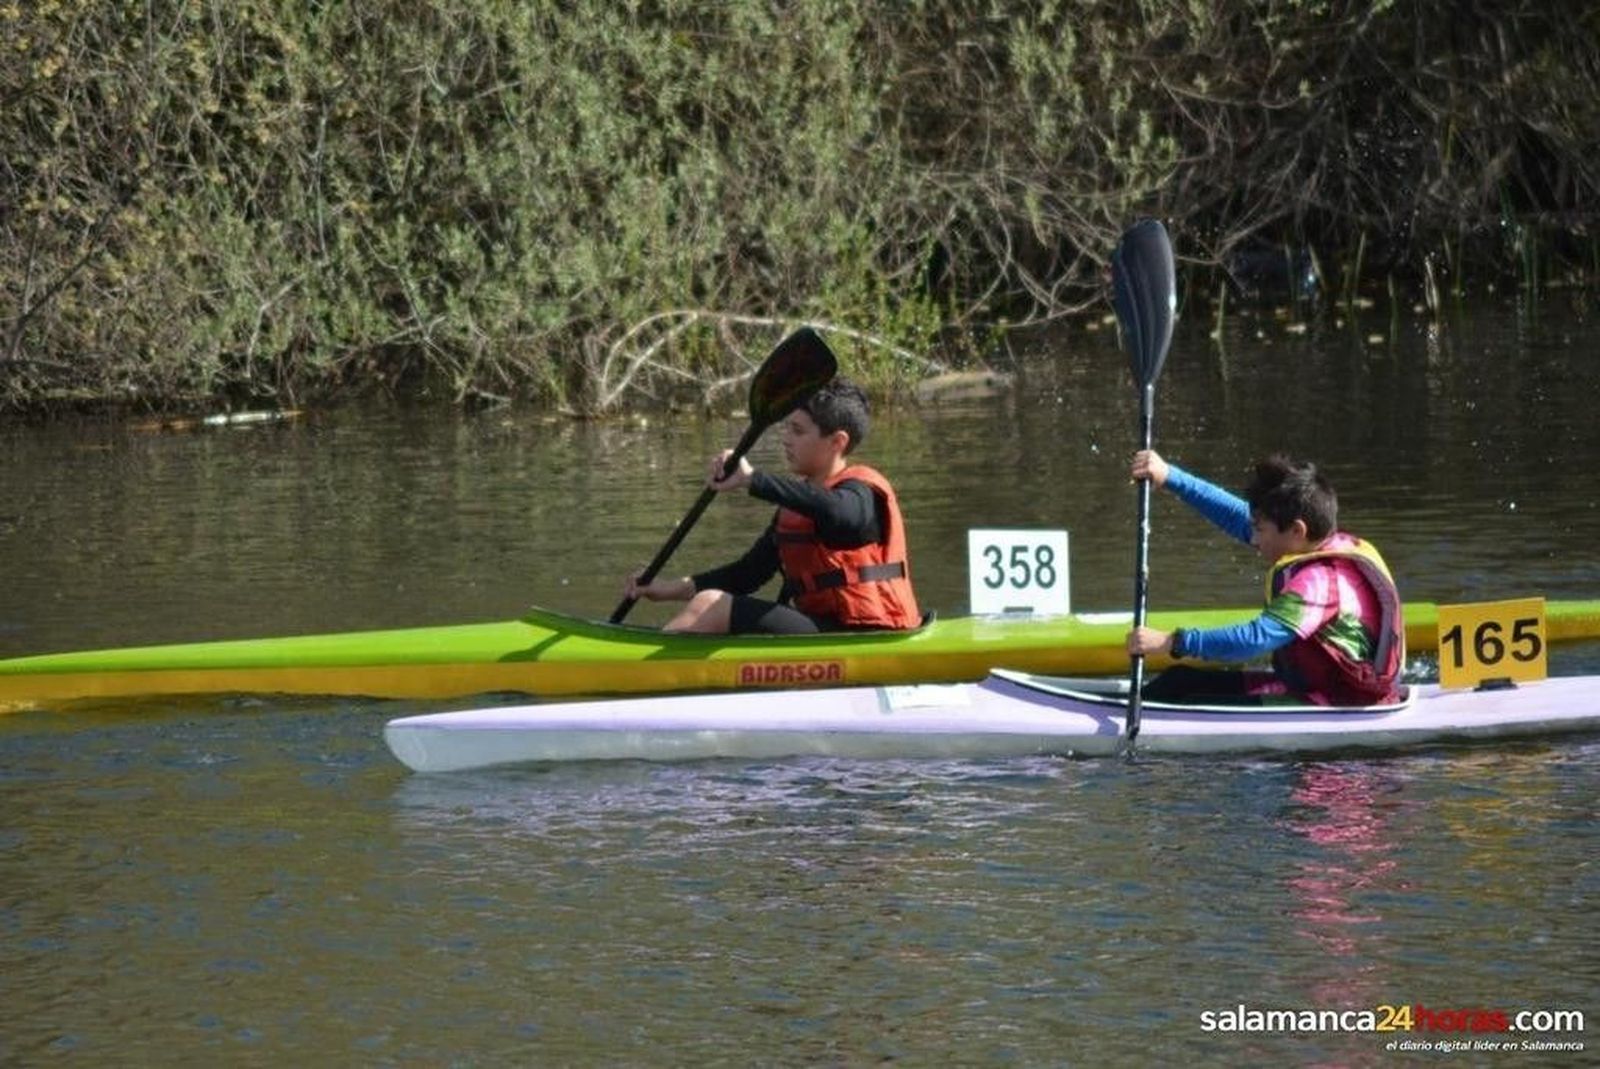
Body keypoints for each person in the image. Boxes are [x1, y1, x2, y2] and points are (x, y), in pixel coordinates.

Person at [623, 378, 921, 634]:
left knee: (711, 605)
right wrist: (665, 589)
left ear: (837, 442)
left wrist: (753, 480)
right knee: (713, 604)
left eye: (798, 431)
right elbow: (746, 575)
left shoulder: (861, 494)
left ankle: (635, 667)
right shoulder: (794, 507)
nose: (786, 439)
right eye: (787, 428)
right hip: (820, 627)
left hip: (872, 633)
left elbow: (838, 513)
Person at [1125, 450, 1405, 706]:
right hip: (1301, 686)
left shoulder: (1319, 585)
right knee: (1178, 682)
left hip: (1329, 702)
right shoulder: (1308, 542)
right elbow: (1235, 515)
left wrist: (1171, 642)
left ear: (1297, 530)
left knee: (1188, 699)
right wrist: (1170, 476)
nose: (1253, 538)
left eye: (1259, 530)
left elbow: (1254, 639)